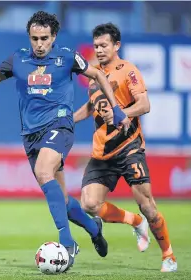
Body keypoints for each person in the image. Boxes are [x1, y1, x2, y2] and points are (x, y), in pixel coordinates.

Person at [0, 11, 130, 271]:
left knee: (43, 171)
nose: (39, 44)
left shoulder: (67, 57)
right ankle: (93, 228)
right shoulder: (18, 58)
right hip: (30, 136)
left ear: (53, 38)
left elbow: (97, 75)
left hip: (60, 125)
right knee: (61, 201)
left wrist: (116, 110)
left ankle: (67, 242)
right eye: (35, 38)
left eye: (44, 38)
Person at [73, 23, 178, 272]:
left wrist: (122, 115)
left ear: (116, 45)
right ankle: (135, 222)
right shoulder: (94, 75)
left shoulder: (127, 70)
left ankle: (168, 256)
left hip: (129, 147)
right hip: (102, 152)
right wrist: (68, 119)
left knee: (148, 205)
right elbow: (91, 107)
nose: (98, 50)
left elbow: (144, 104)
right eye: (96, 45)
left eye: (104, 45)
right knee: (89, 204)